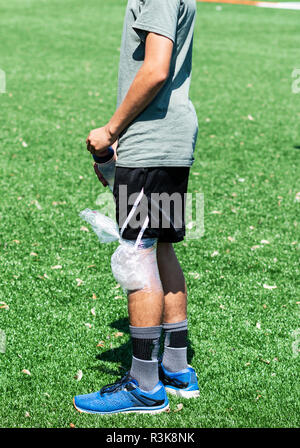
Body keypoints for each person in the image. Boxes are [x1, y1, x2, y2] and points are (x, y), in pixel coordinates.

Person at [74, 0, 199, 415]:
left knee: (138, 251)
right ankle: (177, 369)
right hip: (168, 142)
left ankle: (145, 386)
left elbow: (156, 68)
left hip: (150, 143)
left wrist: (111, 132)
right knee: (161, 245)